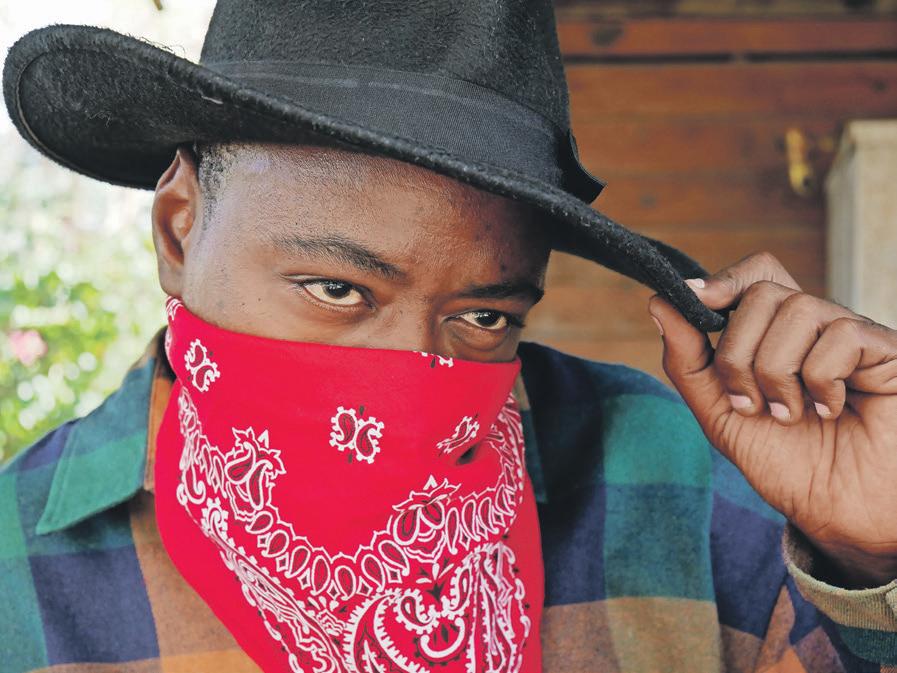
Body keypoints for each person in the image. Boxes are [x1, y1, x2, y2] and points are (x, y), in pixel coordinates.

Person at [1, 1, 895, 672]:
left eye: (483, 317)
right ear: (179, 229)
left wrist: (867, 550)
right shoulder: (18, 561)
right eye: (336, 288)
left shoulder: (671, 476)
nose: (407, 375)